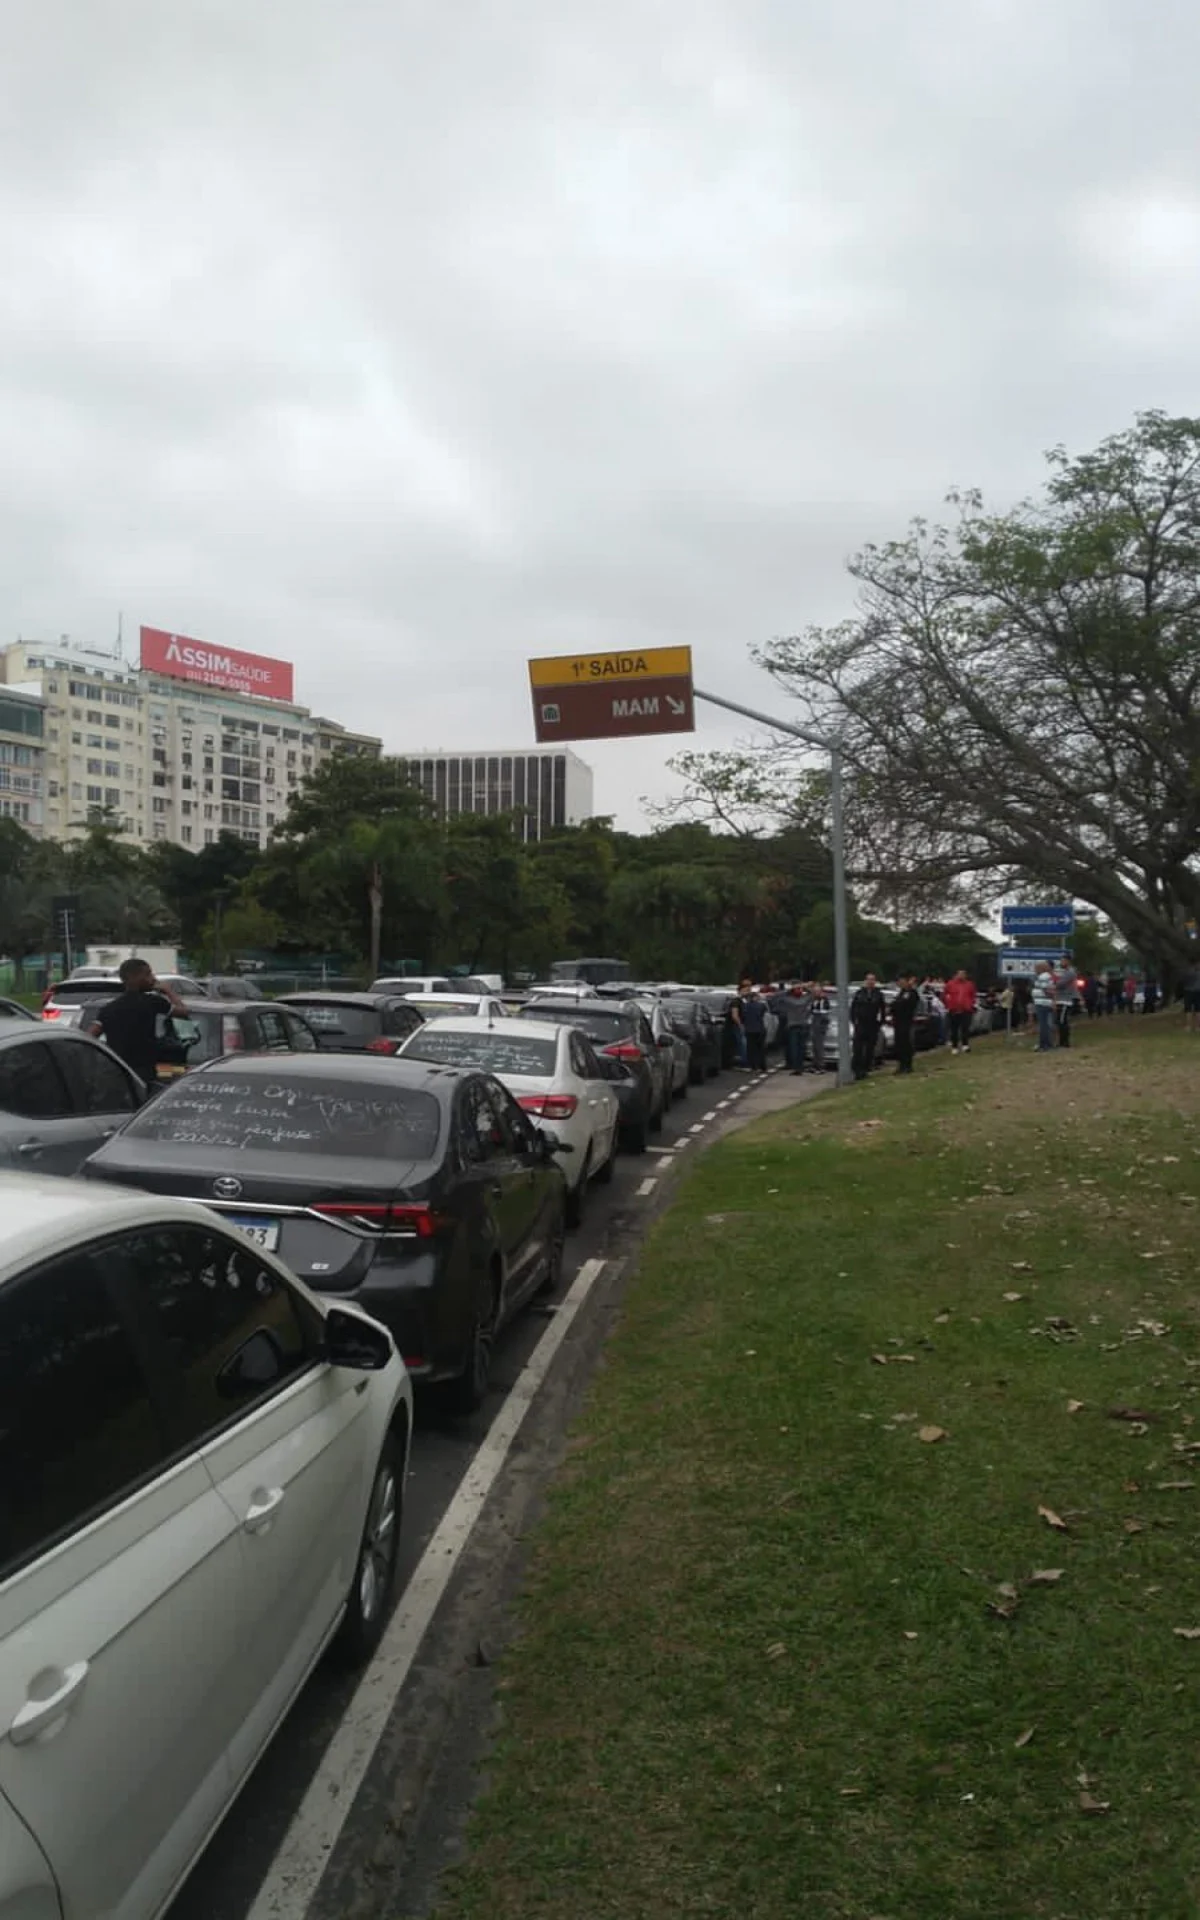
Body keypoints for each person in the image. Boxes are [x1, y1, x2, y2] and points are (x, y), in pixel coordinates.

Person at [90, 957, 187, 1089]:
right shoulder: (153, 1002)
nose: (153, 978)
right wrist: (167, 990)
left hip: (117, 1072)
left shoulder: (108, 1009)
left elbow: (90, 1036)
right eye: (148, 974)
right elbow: (183, 1012)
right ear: (134, 977)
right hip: (144, 1073)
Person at [850, 973, 886, 1081]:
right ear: (865, 981)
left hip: (872, 1024)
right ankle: (857, 1069)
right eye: (868, 980)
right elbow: (853, 1008)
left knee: (870, 1049)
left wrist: (880, 1022)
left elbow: (882, 1010)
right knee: (858, 1049)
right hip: (860, 1024)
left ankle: (865, 1069)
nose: (870, 982)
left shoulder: (878, 994)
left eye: (872, 980)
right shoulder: (859, 993)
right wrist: (854, 1021)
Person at [890, 972, 922, 1074]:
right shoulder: (901, 993)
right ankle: (901, 1065)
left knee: (906, 1044)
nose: (901, 984)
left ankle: (907, 1065)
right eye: (899, 982)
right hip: (898, 1022)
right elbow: (895, 1005)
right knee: (899, 1044)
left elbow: (909, 1004)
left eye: (902, 981)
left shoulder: (912, 993)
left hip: (907, 1022)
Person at [780, 982, 814, 1074]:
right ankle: (800, 1066)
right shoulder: (804, 1000)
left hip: (792, 1026)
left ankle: (795, 1067)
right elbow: (812, 994)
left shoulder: (789, 1000)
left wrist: (791, 989)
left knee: (794, 1047)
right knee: (802, 1047)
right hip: (803, 1024)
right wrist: (803, 987)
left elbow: (781, 995)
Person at [944, 969, 977, 1054]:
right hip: (954, 1009)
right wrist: (949, 1005)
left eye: (963, 974)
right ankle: (954, 1046)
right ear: (956, 975)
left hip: (966, 1009)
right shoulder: (950, 984)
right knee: (954, 1029)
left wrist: (971, 1004)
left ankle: (965, 1045)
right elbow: (945, 995)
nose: (961, 976)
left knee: (965, 1028)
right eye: (960, 974)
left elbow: (973, 995)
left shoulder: (969, 984)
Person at [1031, 961, 1056, 1053]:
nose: (1035, 970)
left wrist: (1053, 1000)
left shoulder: (1044, 976)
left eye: (1036, 968)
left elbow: (1046, 990)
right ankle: (1048, 1044)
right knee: (1045, 1024)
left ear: (1041, 968)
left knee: (1043, 1025)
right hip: (1042, 1002)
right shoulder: (1043, 976)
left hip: (1043, 1003)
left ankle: (1043, 1045)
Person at [740, 987, 768, 1071]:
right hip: (760, 1029)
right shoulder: (761, 1005)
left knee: (751, 1049)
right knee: (761, 1048)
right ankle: (762, 1065)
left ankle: (753, 1065)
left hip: (749, 1029)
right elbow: (763, 1014)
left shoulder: (745, 1006)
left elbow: (743, 1017)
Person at [1053, 958, 1077, 1048]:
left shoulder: (1069, 973)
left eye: (1063, 961)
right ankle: (1062, 1042)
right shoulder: (1065, 972)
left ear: (1068, 961)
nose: (1061, 963)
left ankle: (1064, 1043)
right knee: (1060, 1022)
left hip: (1065, 1000)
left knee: (1063, 1022)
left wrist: (1055, 981)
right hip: (1061, 999)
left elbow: (1059, 984)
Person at [809, 984, 831, 1072]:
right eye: (814, 991)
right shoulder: (813, 1000)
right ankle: (815, 1065)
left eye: (817, 991)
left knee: (819, 1047)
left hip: (820, 1025)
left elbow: (824, 1013)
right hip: (814, 1024)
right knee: (814, 1047)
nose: (815, 993)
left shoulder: (824, 1001)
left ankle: (821, 1066)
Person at [1183, 959, 1200, 1033]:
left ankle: (1189, 1026)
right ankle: (1197, 1027)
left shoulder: (1188, 973)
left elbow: (1184, 982)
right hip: (1198, 992)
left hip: (1189, 992)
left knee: (1188, 1010)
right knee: (1197, 1010)